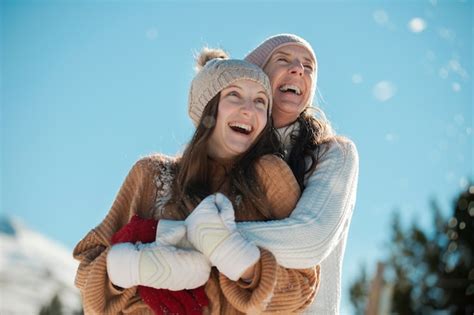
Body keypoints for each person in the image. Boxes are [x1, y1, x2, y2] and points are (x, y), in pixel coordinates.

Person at [73, 49, 320, 314]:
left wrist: (238, 259)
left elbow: (304, 284)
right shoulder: (153, 175)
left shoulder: (270, 175)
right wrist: (132, 267)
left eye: (260, 101)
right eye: (234, 95)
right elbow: (87, 277)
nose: (249, 110)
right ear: (207, 109)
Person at [158, 34, 359, 314]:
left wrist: (185, 238)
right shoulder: (222, 159)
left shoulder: (333, 154)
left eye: (308, 66)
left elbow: (309, 241)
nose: (299, 69)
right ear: (257, 75)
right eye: (283, 59)